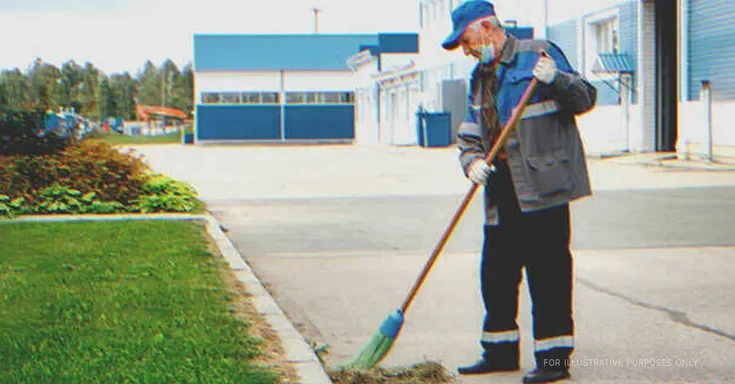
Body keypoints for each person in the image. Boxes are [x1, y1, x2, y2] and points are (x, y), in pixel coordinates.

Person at [441, 1, 597, 383]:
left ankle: (554, 360)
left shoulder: (538, 55)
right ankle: (499, 351)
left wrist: (556, 78)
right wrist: (471, 162)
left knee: (549, 273)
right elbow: (470, 133)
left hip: (543, 186)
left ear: (486, 28)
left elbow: (585, 99)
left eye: (466, 41)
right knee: (496, 273)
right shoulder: (479, 76)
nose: (466, 51)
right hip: (500, 189)